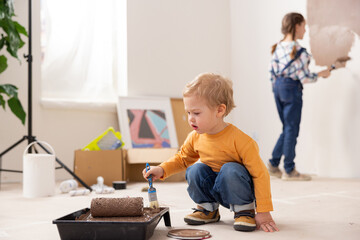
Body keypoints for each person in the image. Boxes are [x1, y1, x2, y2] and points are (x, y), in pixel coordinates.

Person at [143, 73, 279, 232]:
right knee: (195, 169)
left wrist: (263, 211)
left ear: (220, 110)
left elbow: (260, 174)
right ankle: (208, 209)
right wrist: (162, 169)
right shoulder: (195, 137)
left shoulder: (242, 141)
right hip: (214, 187)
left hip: (237, 189)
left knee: (230, 169)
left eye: (196, 113)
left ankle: (244, 211)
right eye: (188, 113)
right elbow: (182, 159)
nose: (190, 119)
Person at [268, 12, 331, 181]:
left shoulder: (277, 47)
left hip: (277, 88)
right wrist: (320, 74)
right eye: (304, 26)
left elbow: (272, 73)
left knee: (287, 128)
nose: (305, 29)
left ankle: (273, 165)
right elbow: (304, 77)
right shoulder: (300, 52)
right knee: (291, 129)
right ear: (296, 26)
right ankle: (289, 170)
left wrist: (278, 87)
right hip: (291, 90)